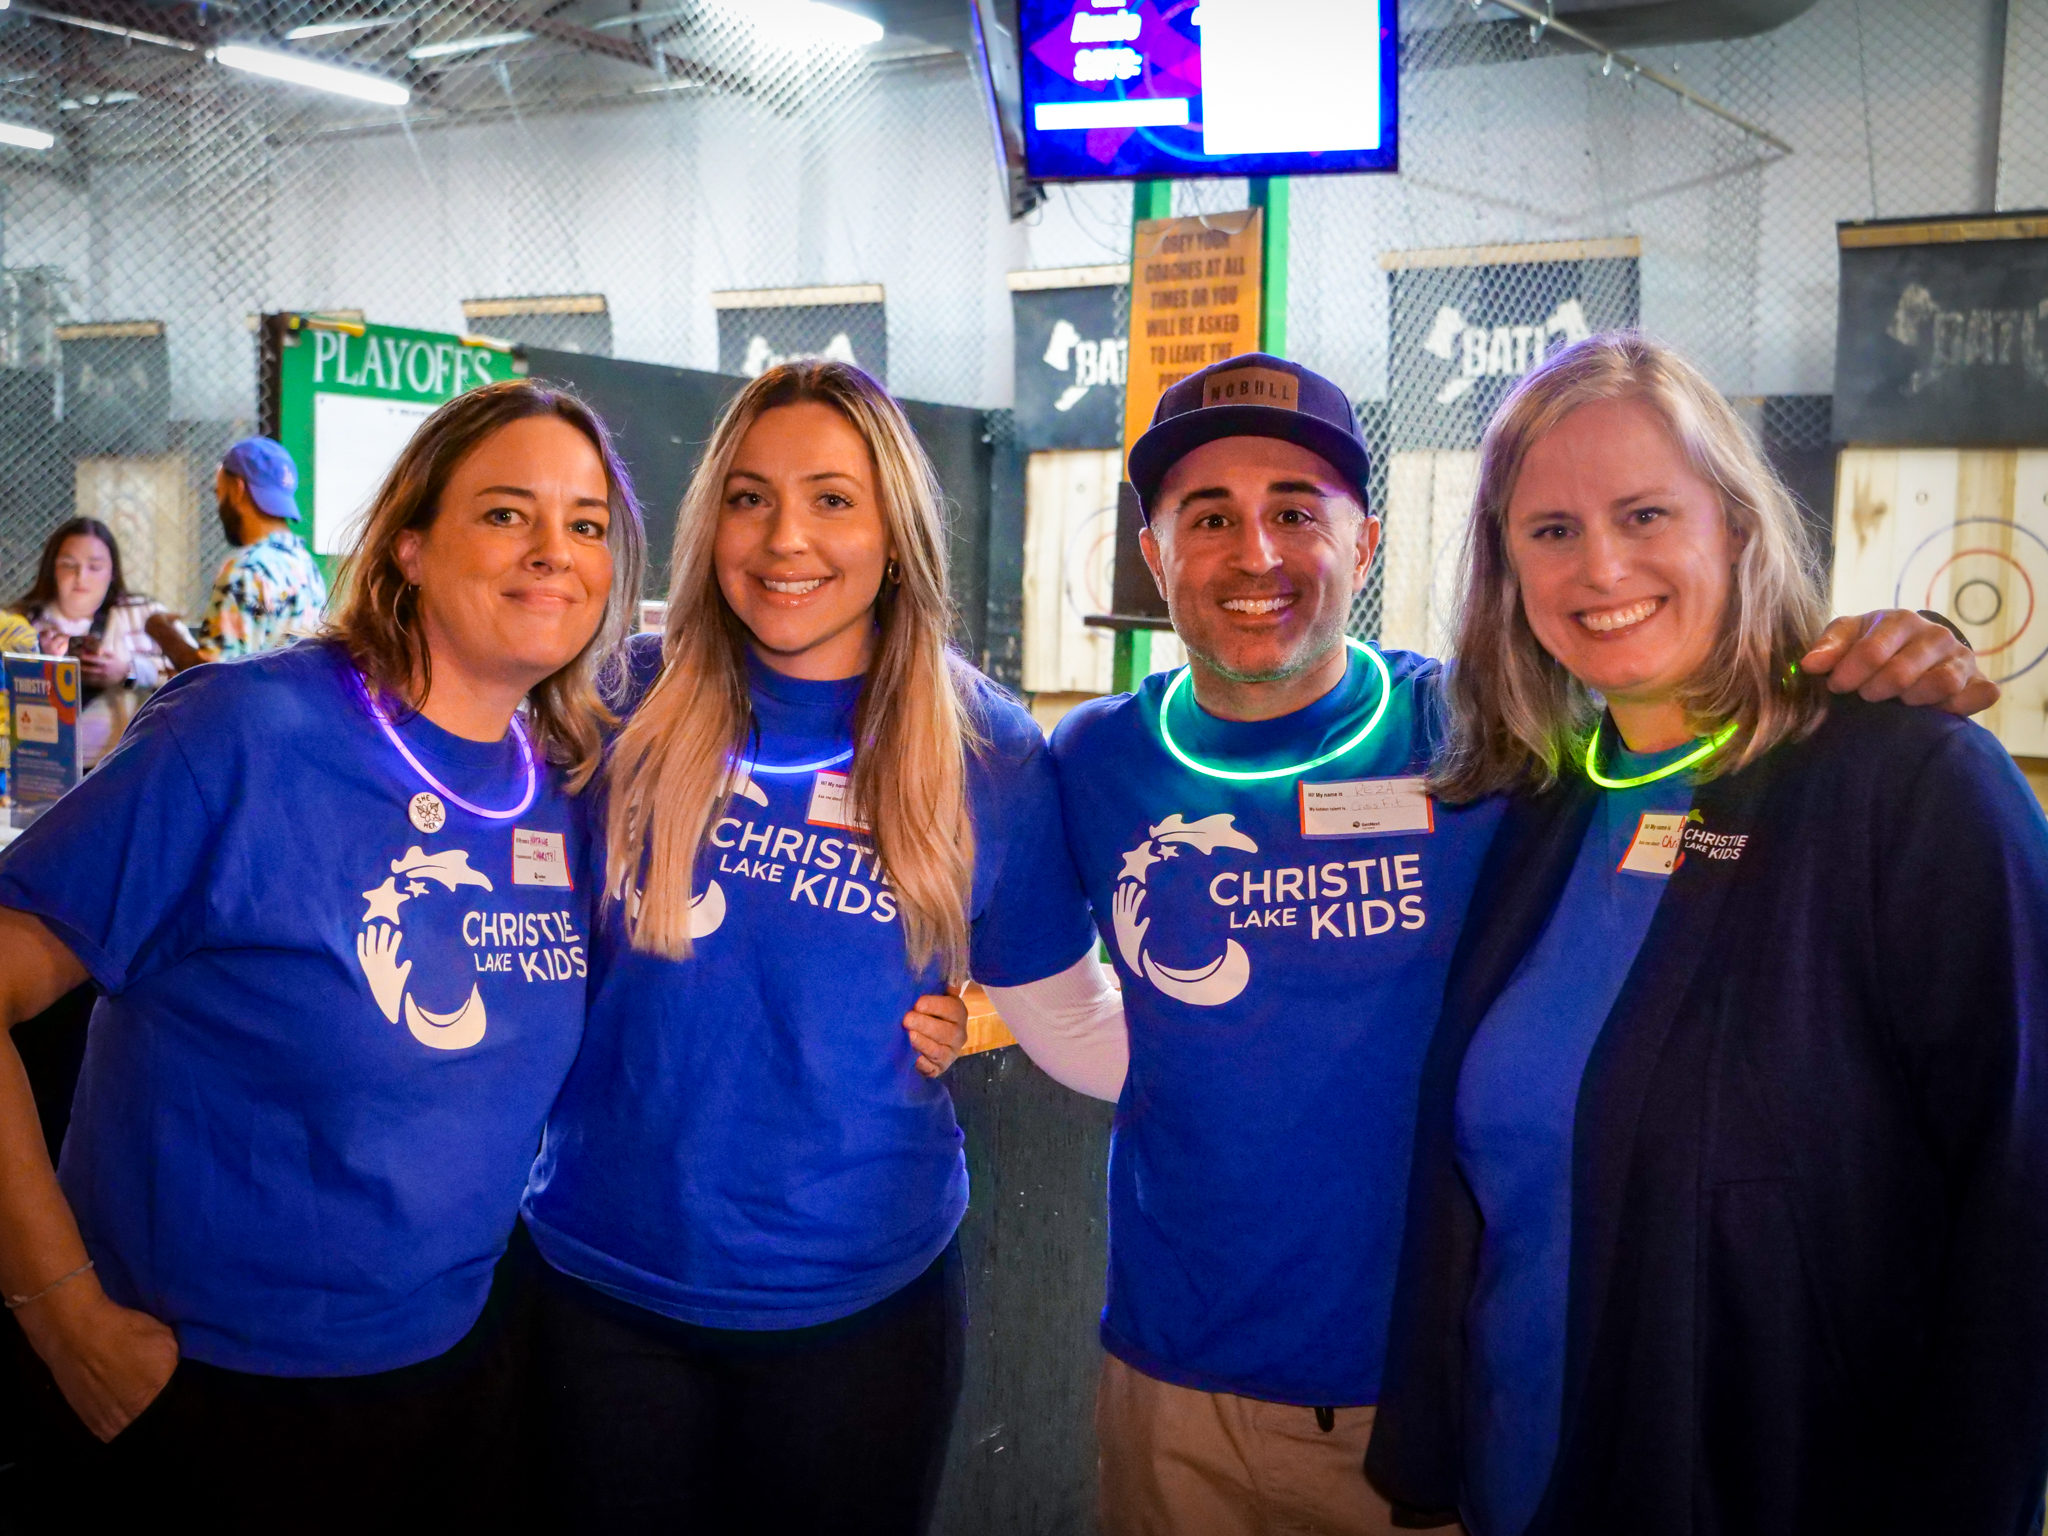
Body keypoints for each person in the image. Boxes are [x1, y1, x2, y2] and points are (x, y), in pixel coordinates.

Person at [1043, 351, 1996, 1536]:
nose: (1255, 553)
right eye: (1207, 517)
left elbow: (1691, 687)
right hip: (1214, 1386)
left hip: (1448, 1397)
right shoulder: (1092, 759)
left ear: (1364, 542)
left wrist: (1897, 652)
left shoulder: (1489, 737)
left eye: (1294, 511)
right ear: (1151, 552)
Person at [1365, 334, 2048, 1536]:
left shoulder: (1911, 784)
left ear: (1733, 525)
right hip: (1518, 1478)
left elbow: (2020, 1195)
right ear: (1506, 568)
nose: (1599, 566)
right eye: (1551, 529)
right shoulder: (1540, 802)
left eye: (1643, 513)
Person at [0, 379, 643, 1528]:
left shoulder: (563, 786)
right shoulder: (245, 735)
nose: (554, 550)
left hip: (459, 1382)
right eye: (506, 513)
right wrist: (62, 1318)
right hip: (205, 1400)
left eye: (585, 523)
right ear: (408, 546)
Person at [523, 359, 1121, 1534]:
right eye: (748, 498)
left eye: (832, 499)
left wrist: (1304, 1056)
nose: (783, 538)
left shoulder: (984, 750)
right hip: (598, 1281)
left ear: (895, 533)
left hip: (856, 1308)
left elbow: (1068, 1020)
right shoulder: (622, 696)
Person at [145, 436, 328, 672]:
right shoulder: (305, 564)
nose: (219, 505)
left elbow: (213, 676)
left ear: (238, 489)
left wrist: (161, 630)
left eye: (218, 492)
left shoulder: (247, 569)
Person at [13, 518, 172, 769]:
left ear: (112, 572)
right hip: (45, 768)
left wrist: (128, 672)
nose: (81, 577)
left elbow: (194, 673)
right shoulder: (21, 625)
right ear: (52, 569)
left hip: (128, 765)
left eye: (95, 567)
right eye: (69, 565)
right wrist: (43, 668)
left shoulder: (146, 616)